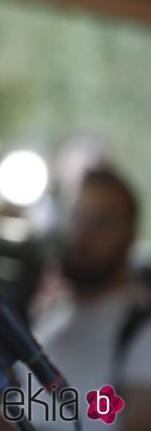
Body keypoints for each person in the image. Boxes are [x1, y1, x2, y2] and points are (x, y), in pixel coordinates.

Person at [26, 168, 151, 430]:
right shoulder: (51, 312)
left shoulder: (141, 326)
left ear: (129, 235)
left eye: (100, 223)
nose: (81, 234)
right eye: (75, 216)